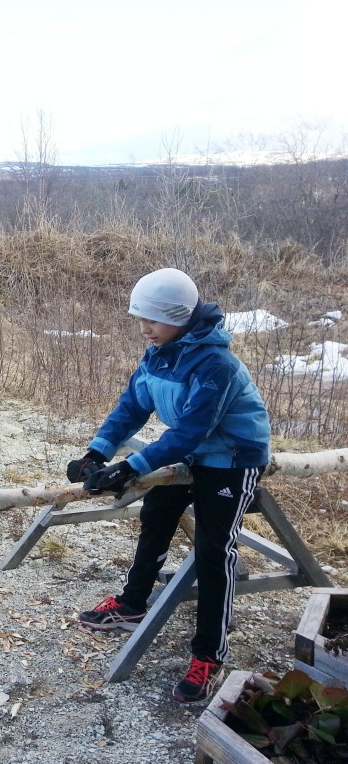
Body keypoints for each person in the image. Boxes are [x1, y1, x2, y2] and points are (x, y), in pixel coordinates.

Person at [66, 267, 270, 704]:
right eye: (139, 319)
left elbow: (190, 431)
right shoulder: (158, 352)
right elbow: (133, 406)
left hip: (233, 456)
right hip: (193, 452)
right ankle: (133, 603)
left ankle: (209, 656)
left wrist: (131, 466)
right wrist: (97, 453)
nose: (144, 329)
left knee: (214, 550)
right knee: (156, 513)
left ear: (179, 317)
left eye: (152, 321)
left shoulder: (215, 364)